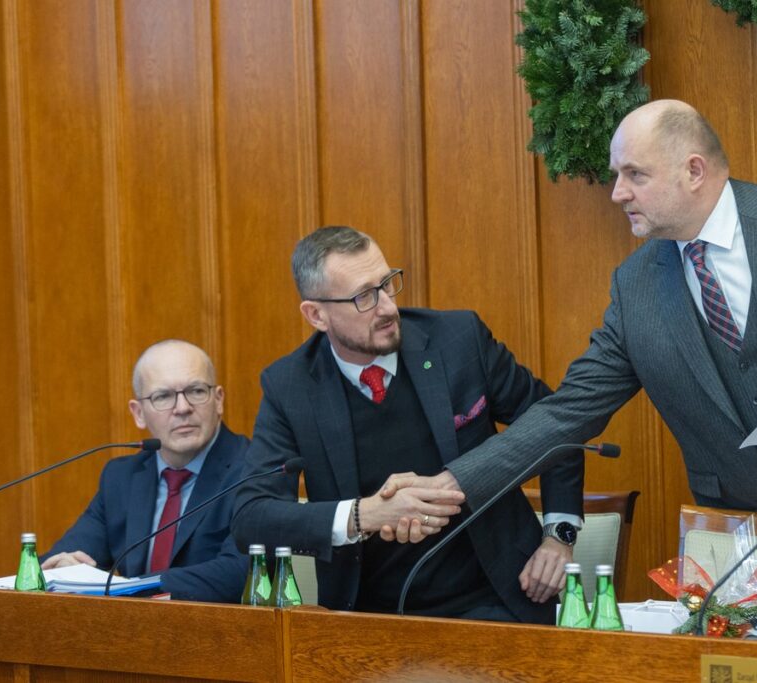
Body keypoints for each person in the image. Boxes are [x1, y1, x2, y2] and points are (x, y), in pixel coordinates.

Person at [387, 99, 757, 647]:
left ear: (693, 170)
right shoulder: (636, 288)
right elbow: (567, 412)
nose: (617, 193)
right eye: (617, 175)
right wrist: (451, 484)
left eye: (634, 175)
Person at [230, 226, 584, 623]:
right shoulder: (290, 387)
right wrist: (364, 515)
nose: (387, 307)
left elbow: (556, 426)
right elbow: (251, 518)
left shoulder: (458, 340)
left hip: (497, 599)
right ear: (316, 315)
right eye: (364, 297)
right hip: (368, 619)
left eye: (386, 284)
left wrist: (559, 535)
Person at [41, 340, 249, 603]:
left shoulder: (254, 471)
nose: (182, 408)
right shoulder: (121, 478)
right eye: (163, 397)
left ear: (218, 400)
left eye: (196, 391)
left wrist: (131, 588)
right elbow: (65, 557)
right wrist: (61, 570)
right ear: (138, 413)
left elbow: (240, 571)